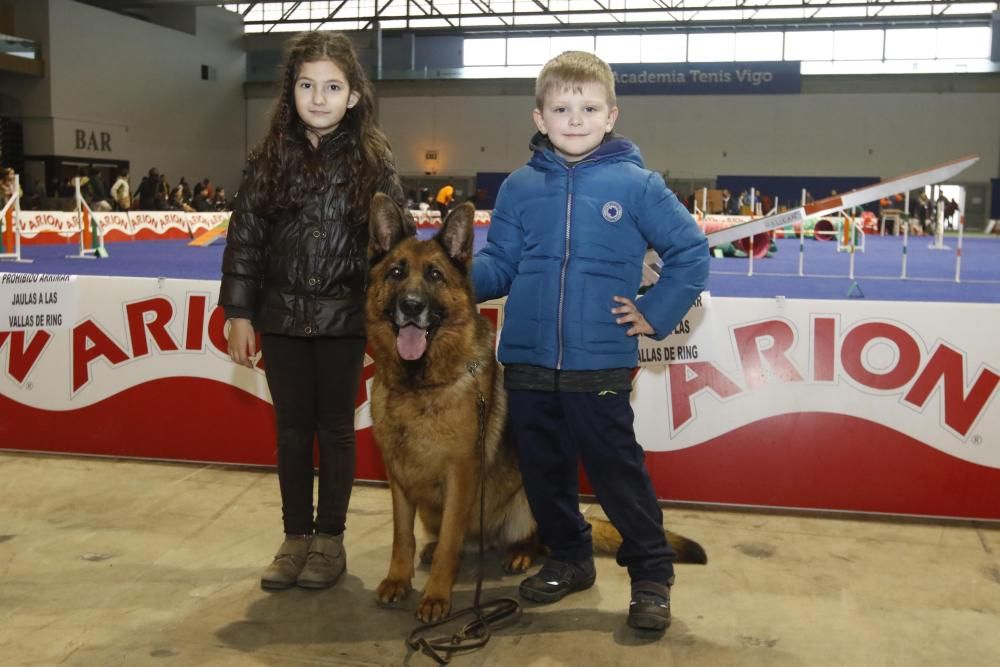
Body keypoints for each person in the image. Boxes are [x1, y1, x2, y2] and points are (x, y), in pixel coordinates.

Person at [470, 51, 709, 632]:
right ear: (539, 117)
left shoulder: (638, 185)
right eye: (561, 108)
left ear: (611, 115)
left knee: (615, 473)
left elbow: (691, 252)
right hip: (525, 360)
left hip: (599, 362)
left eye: (588, 108)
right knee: (543, 473)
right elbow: (498, 265)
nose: (574, 119)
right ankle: (571, 559)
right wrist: (446, 282)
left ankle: (651, 574)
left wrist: (654, 312)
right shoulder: (519, 187)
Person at [219, 31, 405, 592]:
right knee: (293, 433)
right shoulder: (269, 156)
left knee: (337, 431)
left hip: (345, 323)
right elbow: (245, 240)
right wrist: (239, 312)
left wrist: (388, 318)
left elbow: (396, 247)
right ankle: (295, 537)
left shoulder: (375, 160)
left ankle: (330, 539)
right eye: (306, 85)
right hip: (279, 319)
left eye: (332, 87)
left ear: (353, 96)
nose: (318, 97)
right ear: (290, 91)